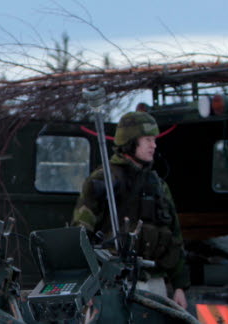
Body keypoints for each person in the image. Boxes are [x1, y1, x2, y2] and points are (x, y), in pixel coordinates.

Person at [72, 111, 190, 309]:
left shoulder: (158, 186)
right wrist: (84, 285)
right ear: (130, 142)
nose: (154, 145)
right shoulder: (103, 182)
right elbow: (80, 234)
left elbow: (174, 238)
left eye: (154, 140)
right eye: (147, 140)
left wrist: (180, 286)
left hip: (154, 283)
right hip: (115, 281)